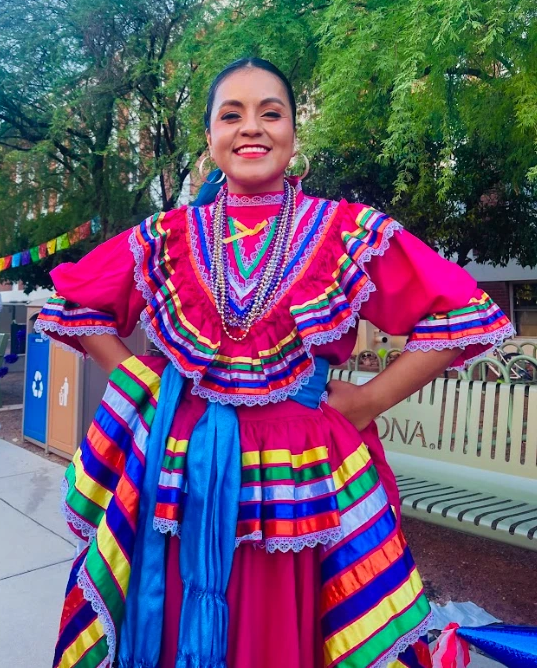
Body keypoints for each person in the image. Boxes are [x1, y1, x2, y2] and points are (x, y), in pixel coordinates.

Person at [35, 58, 514, 668]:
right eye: (230, 115)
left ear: (293, 133)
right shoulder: (169, 235)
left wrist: (369, 400)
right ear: (209, 139)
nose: (251, 128)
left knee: (287, 628)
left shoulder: (347, 230)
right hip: (180, 470)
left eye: (271, 112)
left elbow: (463, 315)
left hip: (301, 472)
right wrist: (136, 372)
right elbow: (78, 305)